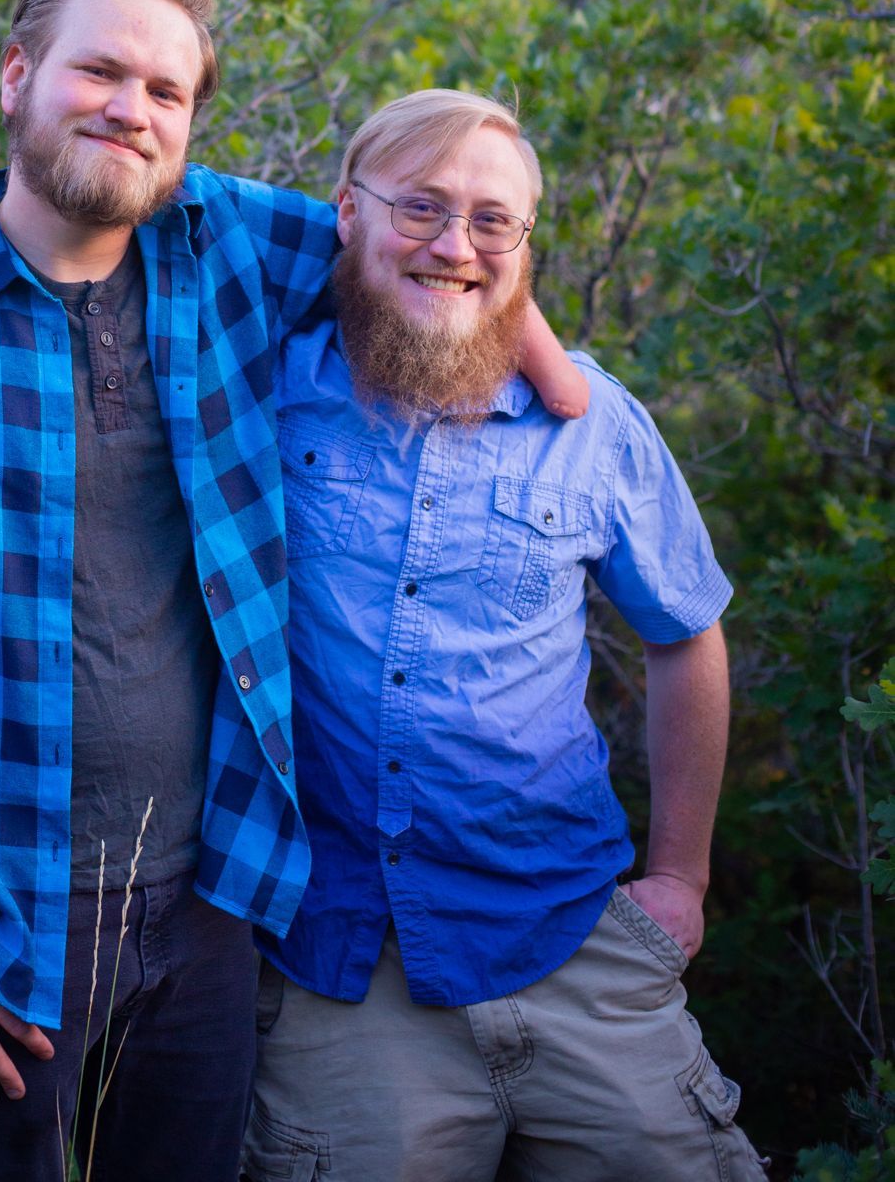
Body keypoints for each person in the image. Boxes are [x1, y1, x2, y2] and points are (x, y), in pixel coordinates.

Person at [0, 0, 585, 1182]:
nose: (131, 107)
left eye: (167, 89)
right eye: (99, 71)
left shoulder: (227, 248)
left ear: (190, 126)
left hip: (211, 899)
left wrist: (564, 385)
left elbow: (440, 253)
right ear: (18, 75)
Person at [241, 88, 766, 1182]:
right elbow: (99, 224)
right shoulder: (251, 393)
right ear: (346, 210)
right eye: (421, 207)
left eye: (492, 219)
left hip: (574, 940)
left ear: (524, 242)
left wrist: (680, 876)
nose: (455, 244)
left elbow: (687, 631)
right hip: (344, 960)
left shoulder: (596, 424)